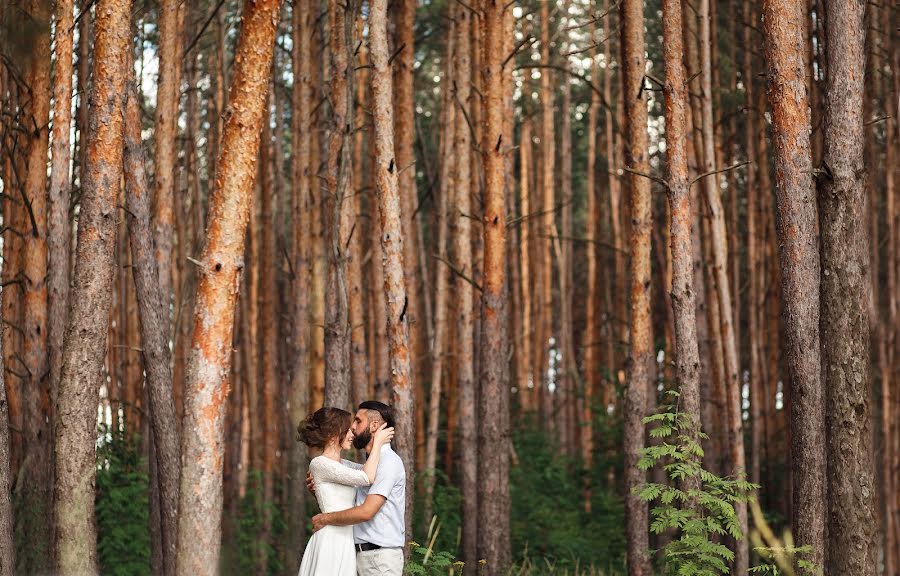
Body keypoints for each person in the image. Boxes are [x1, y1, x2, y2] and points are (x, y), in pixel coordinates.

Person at [307, 401, 407, 576]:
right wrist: (320, 490)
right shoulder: (367, 465)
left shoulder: (387, 462)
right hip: (355, 555)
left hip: (379, 559)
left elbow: (366, 511)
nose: (353, 427)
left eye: (358, 421)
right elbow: (344, 498)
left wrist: (325, 518)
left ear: (374, 425)